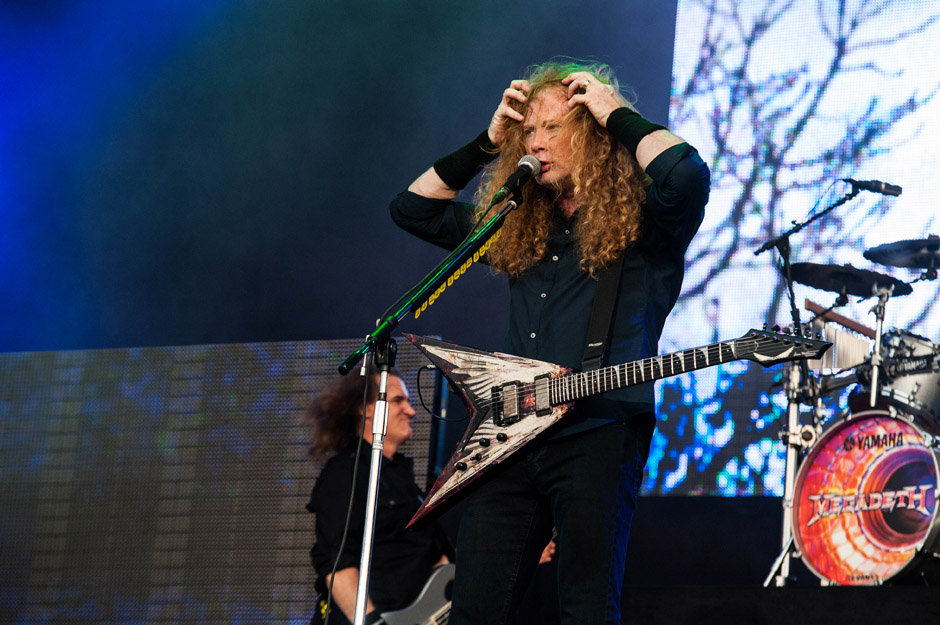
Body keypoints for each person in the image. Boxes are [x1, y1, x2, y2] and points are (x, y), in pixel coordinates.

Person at [389, 59, 709, 624]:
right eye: (528, 131)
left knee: (586, 609)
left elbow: (685, 175)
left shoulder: (646, 222)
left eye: (553, 128)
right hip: (510, 438)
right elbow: (413, 209)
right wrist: (489, 142)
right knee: (474, 611)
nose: (535, 143)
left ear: (593, 134)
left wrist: (616, 113)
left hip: (600, 430)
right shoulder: (519, 222)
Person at [304, 371, 453, 625]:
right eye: (398, 401)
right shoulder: (345, 472)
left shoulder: (403, 479)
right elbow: (337, 565)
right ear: (365, 409)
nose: (411, 411)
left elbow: (439, 559)